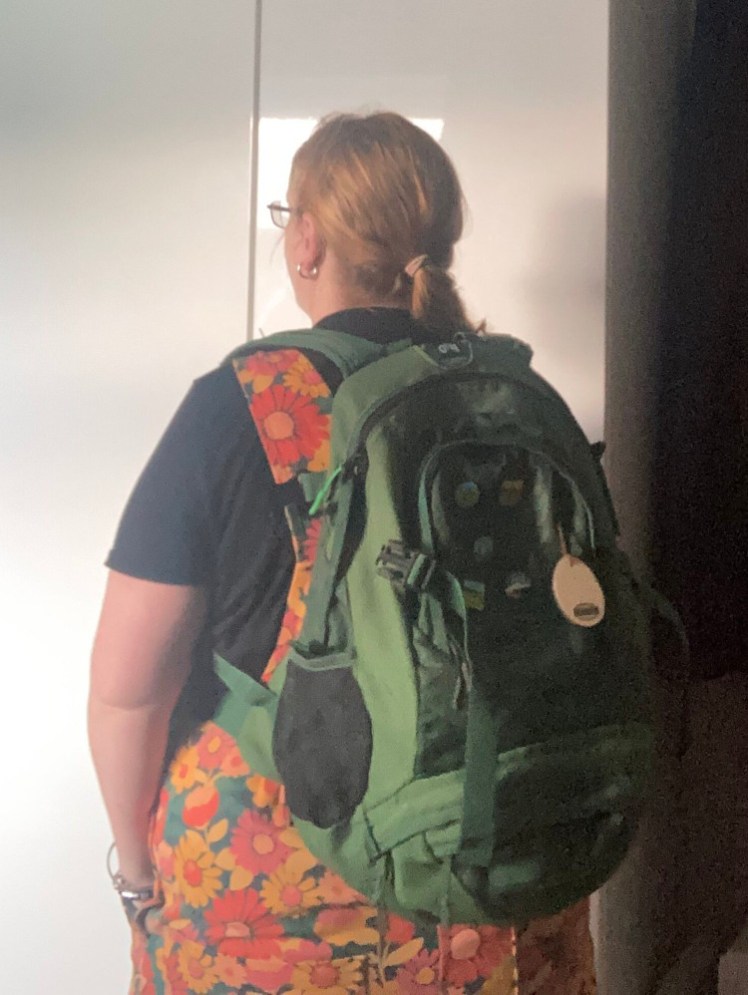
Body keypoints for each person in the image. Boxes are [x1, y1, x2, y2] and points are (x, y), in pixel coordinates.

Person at [89, 111, 595, 995]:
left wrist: (136, 872)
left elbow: (128, 690)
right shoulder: (522, 397)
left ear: (308, 240)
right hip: (496, 887)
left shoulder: (240, 406)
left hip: (274, 918)